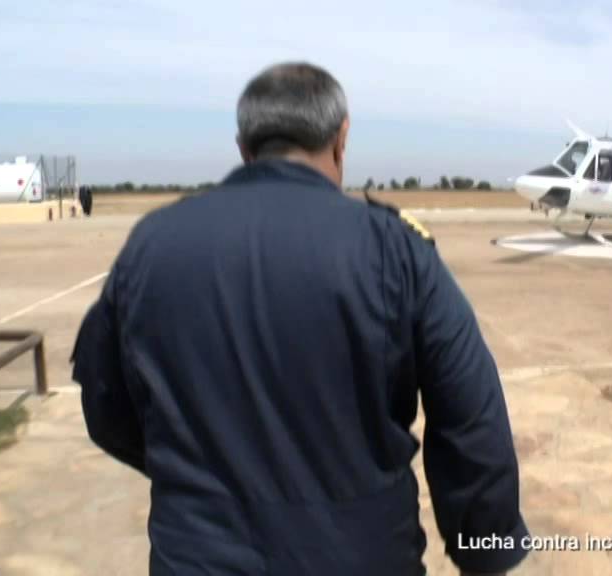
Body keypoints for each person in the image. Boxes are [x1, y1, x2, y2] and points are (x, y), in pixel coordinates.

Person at [71, 62, 528, 576]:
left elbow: (105, 401)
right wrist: (484, 550)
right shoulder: (394, 249)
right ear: (341, 140)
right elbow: (471, 414)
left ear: (244, 147)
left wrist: (196, 474)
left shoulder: (153, 244)